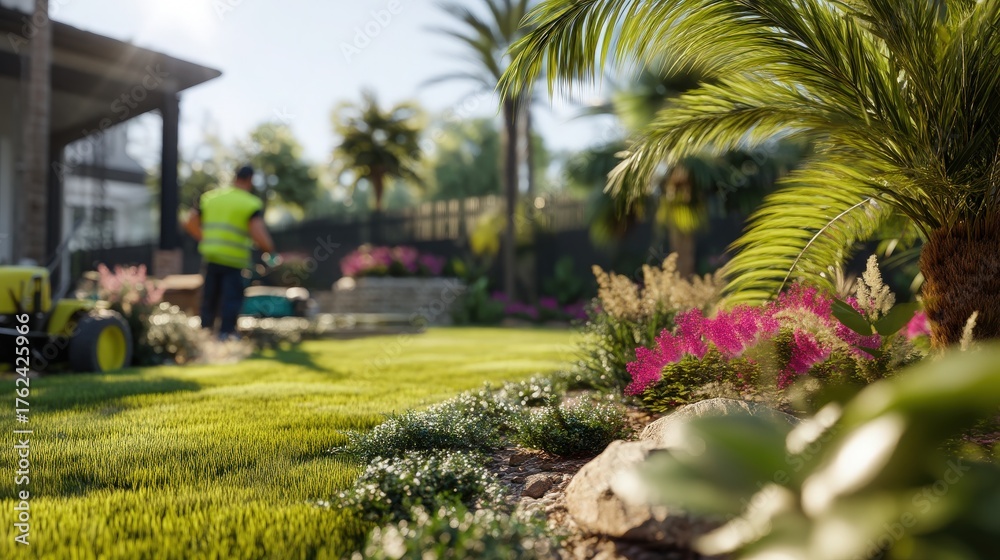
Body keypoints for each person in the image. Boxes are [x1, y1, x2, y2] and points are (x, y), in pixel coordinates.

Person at [184, 165, 276, 339]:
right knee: (231, 300)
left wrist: (207, 238)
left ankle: (205, 335)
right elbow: (259, 234)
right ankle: (226, 335)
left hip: (211, 257)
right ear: (250, 180)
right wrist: (270, 251)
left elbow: (189, 222)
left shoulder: (211, 198)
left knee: (209, 298)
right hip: (234, 261)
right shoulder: (250, 203)